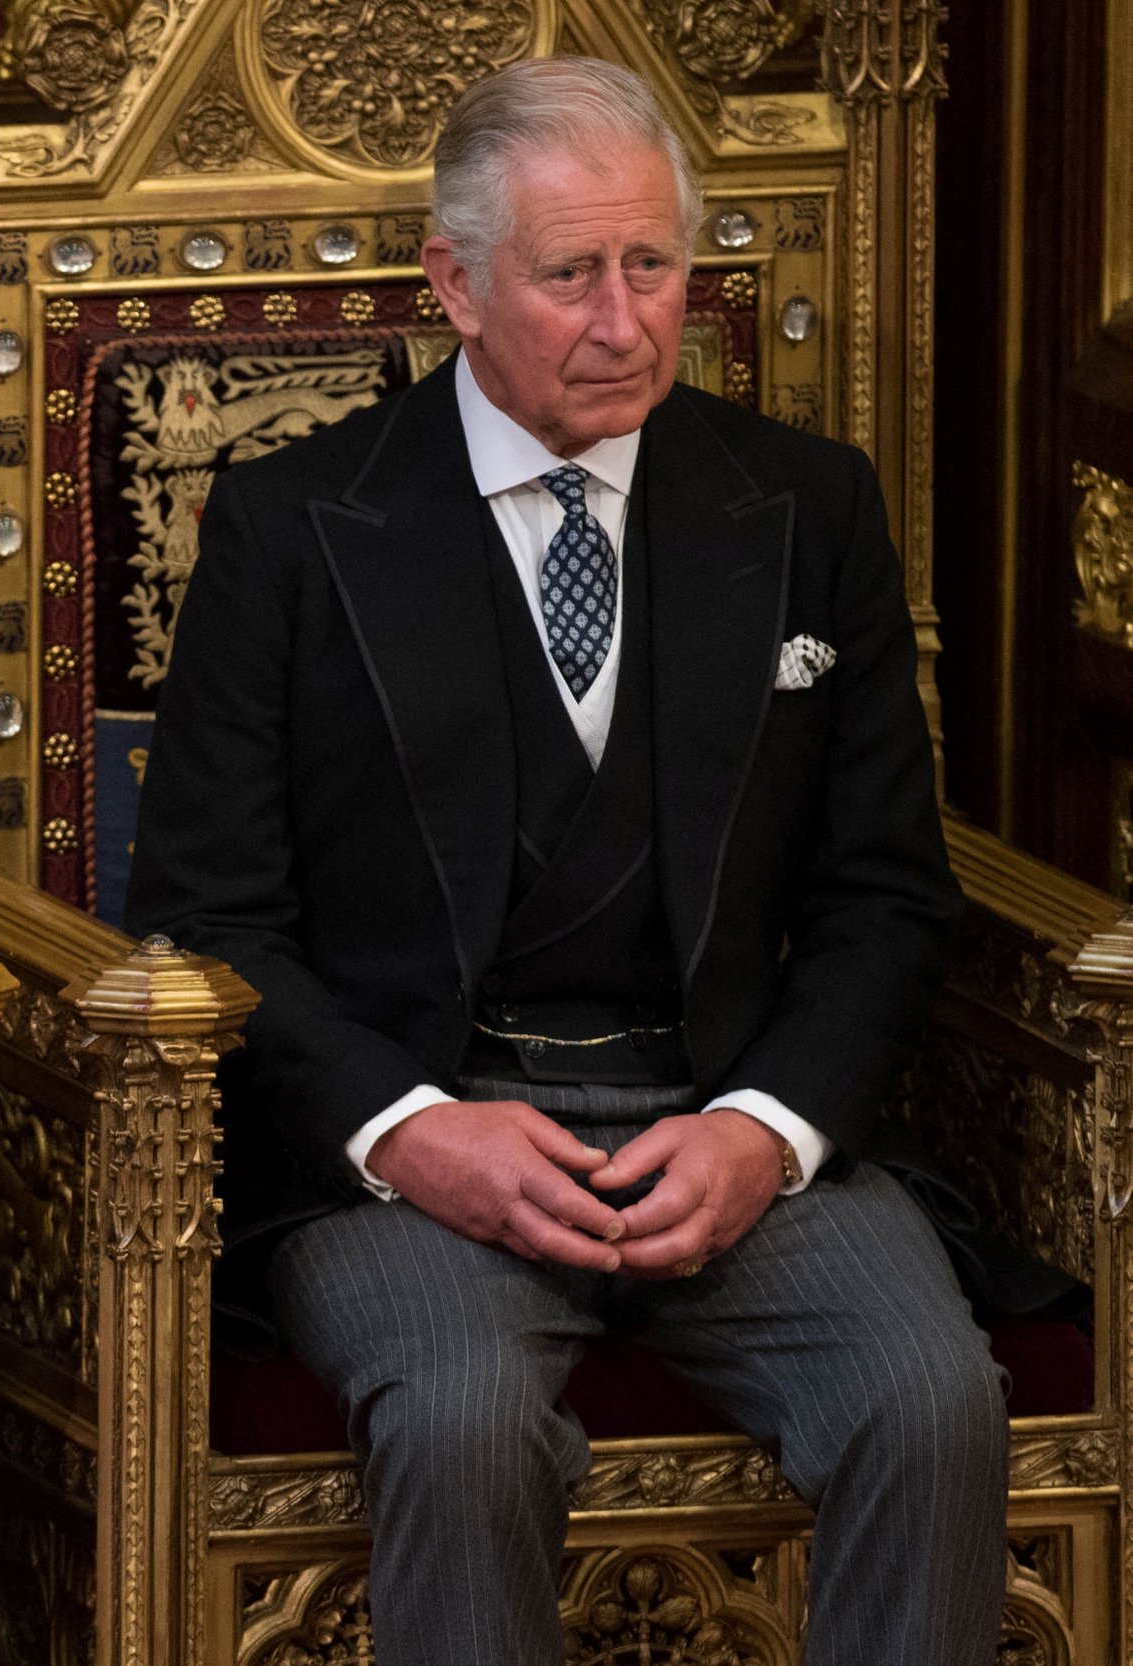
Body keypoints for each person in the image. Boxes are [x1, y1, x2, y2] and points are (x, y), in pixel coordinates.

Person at [125, 56, 1002, 1666]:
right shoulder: (293, 529)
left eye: (655, 266)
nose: (625, 321)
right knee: (461, 1421)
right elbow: (206, 916)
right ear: (454, 282)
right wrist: (412, 1132)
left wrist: (766, 1132)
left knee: (929, 1396)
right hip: (424, 1151)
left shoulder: (807, 510)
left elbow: (886, 892)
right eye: (571, 273)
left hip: (723, 1122)